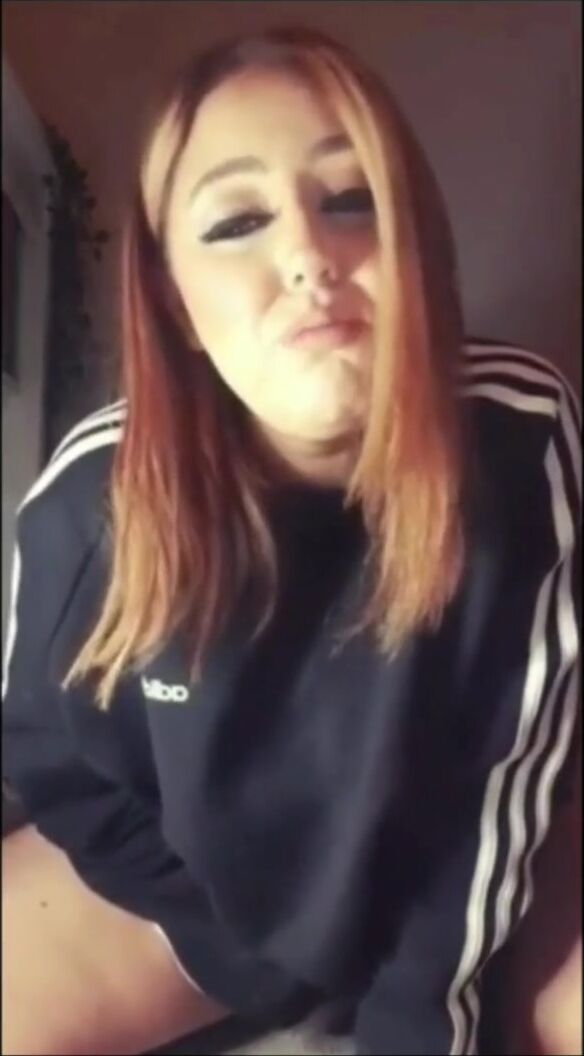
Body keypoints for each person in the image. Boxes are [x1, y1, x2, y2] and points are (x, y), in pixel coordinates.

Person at [2, 24, 581, 1056]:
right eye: (235, 222)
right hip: (208, 906)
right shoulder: (88, 504)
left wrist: (422, 1020)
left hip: (457, 874)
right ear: (174, 300)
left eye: (350, 200)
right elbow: (54, 765)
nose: (309, 257)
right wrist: (233, 937)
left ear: (417, 244)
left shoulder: (521, 441)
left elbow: (497, 799)